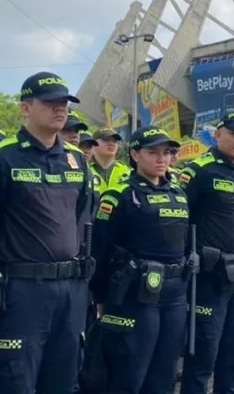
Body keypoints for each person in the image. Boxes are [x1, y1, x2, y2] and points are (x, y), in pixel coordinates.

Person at [0, 72, 93, 393]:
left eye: (63, 102)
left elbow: (80, 217)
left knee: (62, 381)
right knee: (15, 381)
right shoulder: (1, 158)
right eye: (50, 103)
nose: (59, 109)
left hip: (68, 289)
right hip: (20, 290)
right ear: (26, 108)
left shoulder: (76, 159)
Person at [90, 126, 191, 392]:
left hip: (175, 294)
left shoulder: (179, 194)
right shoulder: (119, 195)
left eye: (167, 152)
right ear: (135, 154)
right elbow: (99, 250)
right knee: (130, 371)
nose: (162, 159)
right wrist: (100, 297)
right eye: (153, 152)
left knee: (164, 372)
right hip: (135, 293)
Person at [177, 110, 234, 394]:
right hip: (210, 274)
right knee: (204, 348)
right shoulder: (199, 170)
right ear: (218, 133)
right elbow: (179, 219)